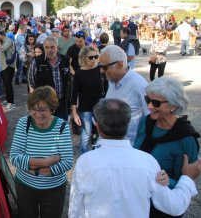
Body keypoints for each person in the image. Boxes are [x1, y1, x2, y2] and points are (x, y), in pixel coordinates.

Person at [69, 98, 201, 218]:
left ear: (98, 127)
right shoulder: (148, 162)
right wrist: (187, 178)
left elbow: (76, 209)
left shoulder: (85, 162)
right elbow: (174, 206)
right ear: (127, 126)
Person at [134, 77, 200, 217]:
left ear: (174, 106)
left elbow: (186, 180)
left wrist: (166, 180)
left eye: (156, 103)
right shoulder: (146, 122)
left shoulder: (186, 138)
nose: (149, 106)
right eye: (147, 100)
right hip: (138, 199)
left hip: (163, 207)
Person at [10, 86, 73, 218]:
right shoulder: (24, 123)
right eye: (34, 109)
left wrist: (34, 169)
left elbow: (67, 162)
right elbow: (14, 157)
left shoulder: (61, 127)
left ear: (52, 109)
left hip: (54, 189)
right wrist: (46, 162)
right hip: (25, 186)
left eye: (42, 110)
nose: (37, 114)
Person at [99, 45, 149, 144]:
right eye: (100, 66)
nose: (101, 71)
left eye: (104, 67)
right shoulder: (112, 81)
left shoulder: (138, 85)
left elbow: (150, 118)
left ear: (120, 64)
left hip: (130, 147)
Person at [71, 46, 104, 154]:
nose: (94, 59)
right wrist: (75, 114)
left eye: (96, 56)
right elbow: (74, 95)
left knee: (102, 132)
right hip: (85, 109)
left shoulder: (100, 69)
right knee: (87, 133)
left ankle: (96, 154)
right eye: (91, 57)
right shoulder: (79, 74)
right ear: (84, 58)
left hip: (100, 107)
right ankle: (84, 156)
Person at [28, 36, 71, 120]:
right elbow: (32, 82)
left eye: (52, 47)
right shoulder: (37, 62)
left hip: (62, 102)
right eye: (47, 47)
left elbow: (69, 79)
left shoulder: (65, 60)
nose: (49, 50)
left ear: (57, 47)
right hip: (44, 104)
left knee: (61, 127)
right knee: (46, 127)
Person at [0, 30, 16, 110]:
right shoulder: (5, 41)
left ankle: (11, 102)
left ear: (0, 35)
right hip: (5, 66)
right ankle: (8, 101)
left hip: (9, 66)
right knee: (6, 84)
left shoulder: (8, 40)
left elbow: (2, 49)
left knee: (8, 84)